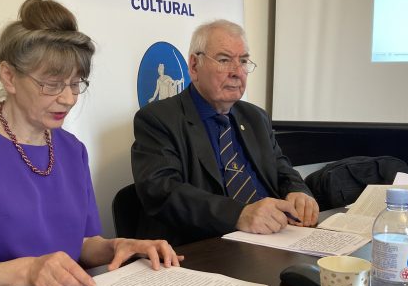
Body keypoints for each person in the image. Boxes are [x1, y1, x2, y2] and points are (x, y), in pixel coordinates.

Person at [0, 0, 182, 286]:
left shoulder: (71, 149)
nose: (68, 99)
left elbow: (83, 243)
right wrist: (29, 270)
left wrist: (119, 246)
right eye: (52, 84)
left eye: (76, 84)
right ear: (9, 77)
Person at [131, 19, 319, 246]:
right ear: (194, 66)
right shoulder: (159, 119)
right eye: (224, 60)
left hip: (275, 238)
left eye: (243, 61)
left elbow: (282, 169)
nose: (237, 72)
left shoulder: (256, 117)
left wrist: (298, 192)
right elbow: (163, 192)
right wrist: (239, 215)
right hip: (206, 246)